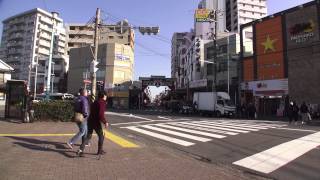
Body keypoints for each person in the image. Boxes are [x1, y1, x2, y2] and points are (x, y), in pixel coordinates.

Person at [77, 91, 108, 156]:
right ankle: (100, 151)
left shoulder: (95, 102)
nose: (106, 97)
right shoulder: (102, 103)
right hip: (96, 122)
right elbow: (100, 114)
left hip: (90, 121)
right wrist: (105, 122)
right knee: (101, 136)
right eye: (106, 95)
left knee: (88, 136)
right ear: (104, 96)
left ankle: (80, 150)